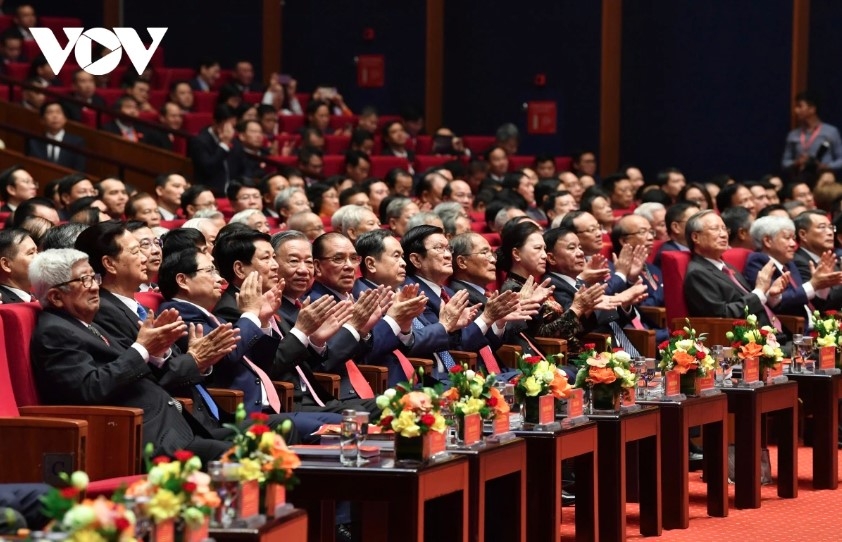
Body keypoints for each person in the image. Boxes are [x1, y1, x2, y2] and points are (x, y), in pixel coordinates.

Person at [29, 248, 234, 462]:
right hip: (139, 438)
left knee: (258, 447)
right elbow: (90, 388)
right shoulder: (54, 332)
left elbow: (127, 366)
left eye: (94, 277)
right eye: (84, 280)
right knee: (243, 458)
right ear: (56, 297)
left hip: (173, 427)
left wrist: (156, 352)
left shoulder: (85, 324)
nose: (95, 287)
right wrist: (142, 349)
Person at [683, 210, 789, 329]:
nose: (723, 234)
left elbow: (747, 300)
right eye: (715, 229)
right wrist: (759, 291)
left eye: (724, 229)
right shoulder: (698, 273)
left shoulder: (728, 267)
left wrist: (769, 295)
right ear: (695, 237)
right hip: (746, 340)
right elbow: (721, 315)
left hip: (771, 332)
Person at [744, 215, 842, 321]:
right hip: (790, 329)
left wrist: (822, 286)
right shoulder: (758, 261)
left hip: (814, 323)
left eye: (793, 238)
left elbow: (814, 302)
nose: (793, 244)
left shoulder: (789, 263)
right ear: (768, 241)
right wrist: (813, 285)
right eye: (787, 238)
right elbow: (776, 302)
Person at [189, 105, 247, 195]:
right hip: (209, 192)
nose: (230, 131)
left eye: (233, 126)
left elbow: (243, 168)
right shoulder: (200, 141)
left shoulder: (235, 142)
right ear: (215, 122)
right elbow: (208, 169)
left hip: (233, 193)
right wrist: (223, 145)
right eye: (227, 126)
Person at [782, 90, 842, 177]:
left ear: (812, 109)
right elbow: (785, 162)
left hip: (824, 178)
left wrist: (826, 166)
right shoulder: (793, 135)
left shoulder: (831, 132)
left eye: (800, 106)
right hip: (800, 179)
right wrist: (797, 162)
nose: (796, 110)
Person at [652, 202, 700, 268]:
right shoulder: (669, 255)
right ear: (676, 227)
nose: (701, 226)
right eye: (695, 221)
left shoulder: (699, 249)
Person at [0, 228, 37, 303]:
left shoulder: (41, 296)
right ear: (6, 264)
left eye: (37, 251)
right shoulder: (3, 305)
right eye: (31, 253)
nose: (40, 257)